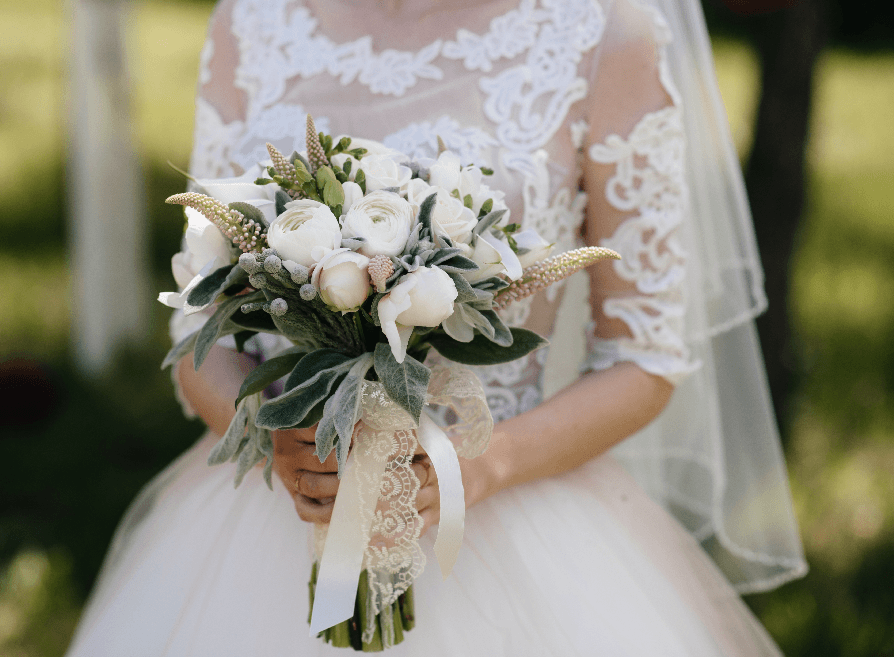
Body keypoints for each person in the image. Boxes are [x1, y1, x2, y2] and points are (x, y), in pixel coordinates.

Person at [66, 0, 808, 653]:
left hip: (506, 516)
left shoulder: (603, 32)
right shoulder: (253, 21)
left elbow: (643, 359)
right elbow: (198, 317)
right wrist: (271, 431)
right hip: (269, 521)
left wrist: (474, 467)